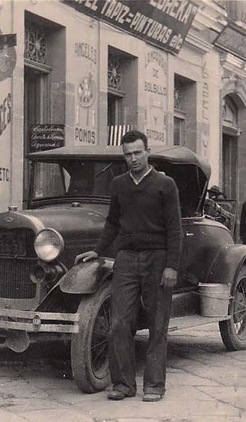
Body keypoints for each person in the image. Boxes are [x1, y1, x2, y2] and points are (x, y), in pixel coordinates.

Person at [75, 129, 182, 403]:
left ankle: (154, 385)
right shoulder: (119, 184)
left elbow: (175, 229)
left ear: (147, 152)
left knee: (158, 324)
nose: (132, 158)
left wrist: (171, 266)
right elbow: (112, 222)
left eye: (137, 153)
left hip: (157, 259)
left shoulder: (165, 184)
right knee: (119, 323)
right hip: (126, 259)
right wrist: (97, 250)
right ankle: (123, 384)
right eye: (127, 154)